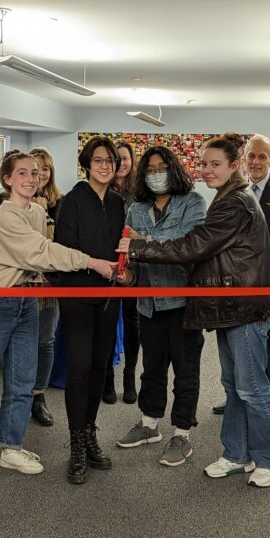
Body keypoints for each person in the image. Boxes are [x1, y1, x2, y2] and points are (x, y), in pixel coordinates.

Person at [117, 132, 270, 487]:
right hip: (228, 308)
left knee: (253, 388)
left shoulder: (234, 202)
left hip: (246, 308)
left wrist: (139, 247)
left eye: (215, 165)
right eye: (205, 164)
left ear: (233, 166)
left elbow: (194, 245)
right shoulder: (226, 197)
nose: (207, 171)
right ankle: (236, 455)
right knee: (234, 385)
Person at [0, 150, 113, 486]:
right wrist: (91, 261)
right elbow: (41, 252)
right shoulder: (4, 215)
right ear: (7, 179)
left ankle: (11, 447)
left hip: (27, 303)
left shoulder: (39, 212)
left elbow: (39, 260)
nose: (30, 178)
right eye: (22, 173)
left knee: (22, 383)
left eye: (36, 173)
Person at [115, 146, 206, 467]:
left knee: (186, 372)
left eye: (161, 167)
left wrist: (142, 244)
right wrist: (126, 274)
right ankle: (149, 424)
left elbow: (186, 248)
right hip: (148, 305)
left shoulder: (193, 203)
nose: (156, 174)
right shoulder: (136, 209)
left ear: (174, 168)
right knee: (151, 370)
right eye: (150, 169)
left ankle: (182, 433)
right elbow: (132, 260)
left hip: (183, 304)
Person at [213, 134, 270, 414]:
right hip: (236, 287)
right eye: (251, 155)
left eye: (262, 156)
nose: (256, 161)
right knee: (238, 345)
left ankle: (267, 405)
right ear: (244, 160)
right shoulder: (232, 191)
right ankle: (236, 400)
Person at [54, 136, 126, 484]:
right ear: (87, 164)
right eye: (98, 160)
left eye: (110, 161)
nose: (104, 165)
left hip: (110, 299)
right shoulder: (71, 201)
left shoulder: (117, 203)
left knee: (100, 367)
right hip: (77, 296)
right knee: (79, 368)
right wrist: (94, 266)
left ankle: (91, 431)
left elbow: (119, 251)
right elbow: (64, 254)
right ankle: (77, 444)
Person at [28, 146, 64, 427]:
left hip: (50, 284)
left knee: (45, 340)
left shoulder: (60, 203)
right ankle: (18, 394)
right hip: (19, 283)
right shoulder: (10, 201)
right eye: (34, 168)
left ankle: (38, 395)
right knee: (18, 341)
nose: (40, 174)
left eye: (45, 168)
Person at [104, 140, 141, 404]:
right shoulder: (101, 191)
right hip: (106, 266)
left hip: (132, 267)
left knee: (132, 324)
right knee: (107, 322)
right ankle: (107, 378)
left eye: (125, 158)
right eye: (117, 158)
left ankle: (129, 377)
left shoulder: (140, 194)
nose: (121, 163)